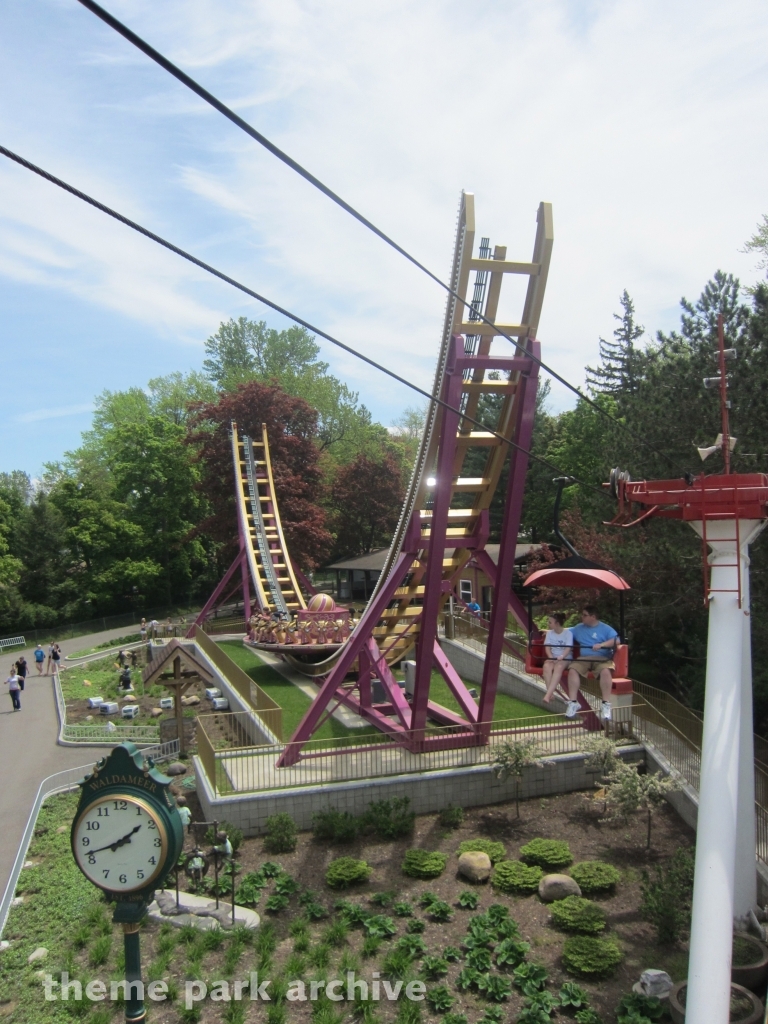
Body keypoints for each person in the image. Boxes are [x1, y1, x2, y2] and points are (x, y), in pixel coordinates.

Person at [565, 604, 619, 721]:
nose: (582, 617)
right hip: (584, 658)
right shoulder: (579, 628)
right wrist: (549, 632)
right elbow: (564, 632)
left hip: (601, 658)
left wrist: (602, 645)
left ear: (593, 617)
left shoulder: (606, 629)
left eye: (584, 615)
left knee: (605, 671)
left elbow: (616, 640)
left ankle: (605, 704)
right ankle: (573, 702)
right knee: (573, 669)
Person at [541, 613, 573, 705]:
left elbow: (568, 648)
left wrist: (562, 656)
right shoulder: (549, 633)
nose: (548, 624)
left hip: (565, 657)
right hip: (554, 656)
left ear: (557, 623)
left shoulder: (568, 634)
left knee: (558, 667)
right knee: (546, 666)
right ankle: (550, 693)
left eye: (550, 622)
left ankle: (548, 695)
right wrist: (551, 657)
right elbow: (547, 647)